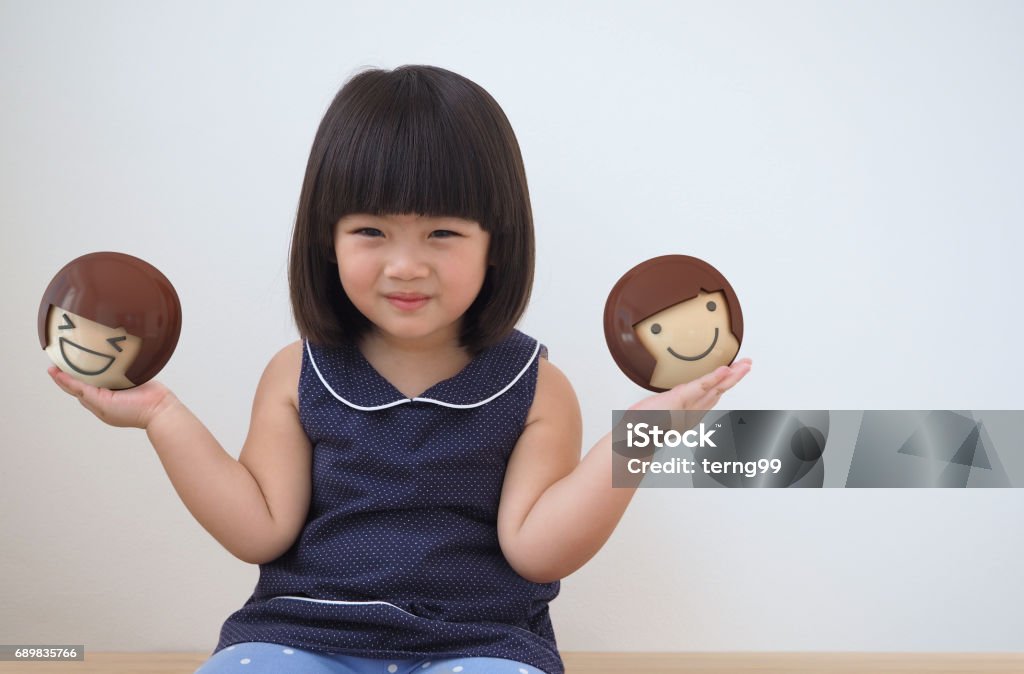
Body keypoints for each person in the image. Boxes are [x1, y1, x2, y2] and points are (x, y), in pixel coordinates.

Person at [47, 64, 752, 674]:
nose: (405, 264)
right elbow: (257, 529)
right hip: (302, 634)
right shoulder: (298, 373)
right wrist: (162, 417)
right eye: (371, 231)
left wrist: (642, 435)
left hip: (479, 642)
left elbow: (537, 551)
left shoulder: (536, 387)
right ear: (327, 240)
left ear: (496, 244)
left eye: (442, 233)